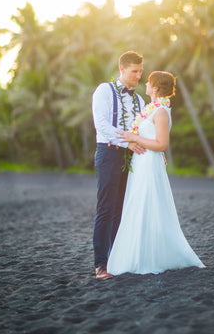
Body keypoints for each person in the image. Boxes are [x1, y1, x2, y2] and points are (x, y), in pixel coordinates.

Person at [107, 71, 205, 275]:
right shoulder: (151, 109)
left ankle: (150, 257)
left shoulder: (160, 112)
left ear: (156, 88)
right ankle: (138, 253)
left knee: (147, 205)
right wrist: (132, 139)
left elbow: (162, 144)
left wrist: (131, 138)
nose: (145, 84)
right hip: (141, 163)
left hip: (149, 164)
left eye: (149, 82)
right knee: (137, 204)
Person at [92, 51, 145, 280]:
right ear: (122, 69)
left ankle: (117, 260)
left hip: (130, 157)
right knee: (105, 209)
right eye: (135, 71)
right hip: (108, 153)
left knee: (121, 210)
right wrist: (129, 141)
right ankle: (101, 265)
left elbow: (144, 129)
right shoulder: (104, 90)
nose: (139, 76)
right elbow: (102, 125)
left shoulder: (139, 99)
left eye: (141, 71)